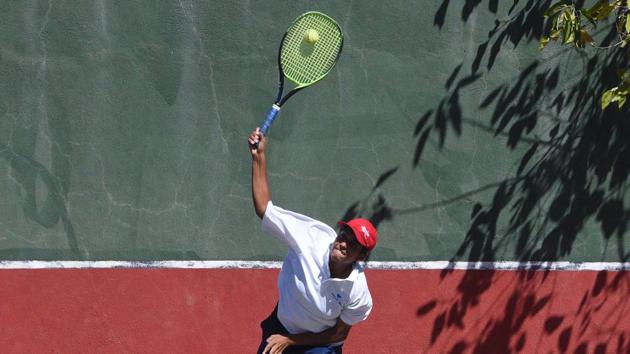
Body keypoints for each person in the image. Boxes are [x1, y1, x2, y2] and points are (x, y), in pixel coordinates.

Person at [248, 128, 378, 354]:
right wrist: (259, 157)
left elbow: (338, 334)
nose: (343, 243)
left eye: (353, 244)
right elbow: (264, 209)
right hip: (282, 326)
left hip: (319, 345)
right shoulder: (311, 238)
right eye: (343, 235)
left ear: (361, 257)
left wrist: (290, 341)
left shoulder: (357, 293)